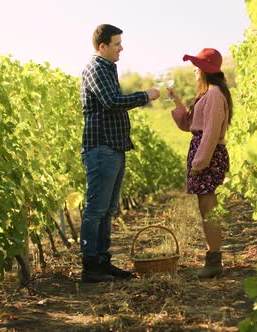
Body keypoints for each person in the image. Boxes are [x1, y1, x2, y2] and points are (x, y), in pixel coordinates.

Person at [80, 24, 160, 283]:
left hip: (113, 147)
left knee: (108, 209)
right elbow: (112, 102)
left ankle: (103, 262)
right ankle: (91, 266)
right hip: (102, 147)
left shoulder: (106, 69)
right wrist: (144, 96)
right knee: (96, 209)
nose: (121, 48)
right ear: (102, 46)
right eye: (117, 44)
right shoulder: (95, 68)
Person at [167, 48, 233, 278]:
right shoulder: (208, 94)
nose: (194, 70)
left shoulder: (214, 95)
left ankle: (214, 261)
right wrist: (176, 101)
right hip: (205, 153)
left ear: (205, 70)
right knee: (205, 207)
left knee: (208, 208)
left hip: (209, 154)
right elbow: (190, 125)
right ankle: (212, 258)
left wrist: (199, 163)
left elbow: (211, 134)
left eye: (197, 66)